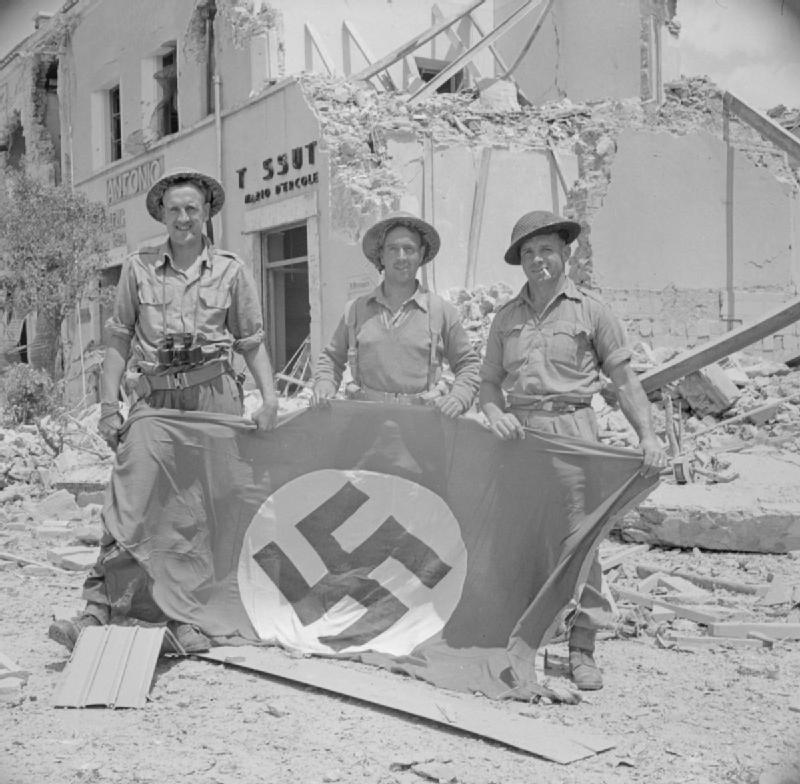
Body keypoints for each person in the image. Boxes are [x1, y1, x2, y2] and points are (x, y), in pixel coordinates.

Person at [49, 167, 279, 654]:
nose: (183, 217)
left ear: (207, 213)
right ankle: (96, 609)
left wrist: (269, 398)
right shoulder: (137, 269)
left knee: (202, 510)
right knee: (130, 498)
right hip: (154, 400)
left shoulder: (233, 271)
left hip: (214, 398)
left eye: (192, 208)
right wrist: (108, 407)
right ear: (162, 216)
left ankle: (188, 619)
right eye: (173, 209)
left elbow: (252, 342)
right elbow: (117, 340)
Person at [479, 210, 666, 690]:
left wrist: (647, 436)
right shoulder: (505, 318)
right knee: (518, 541)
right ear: (519, 261)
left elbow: (624, 382)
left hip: (574, 433)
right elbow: (488, 385)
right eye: (528, 252)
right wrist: (495, 415)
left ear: (565, 253)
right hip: (520, 440)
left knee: (580, 543)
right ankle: (521, 642)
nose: (538, 260)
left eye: (546, 249)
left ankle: (582, 649)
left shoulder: (592, 312)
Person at [312, 212, 480, 414]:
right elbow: (331, 358)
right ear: (381, 255)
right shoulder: (356, 310)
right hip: (364, 427)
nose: (401, 257)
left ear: (421, 254)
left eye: (409, 249)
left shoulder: (441, 311)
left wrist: (459, 397)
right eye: (393, 249)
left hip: (422, 428)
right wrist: (324, 383)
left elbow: (468, 365)